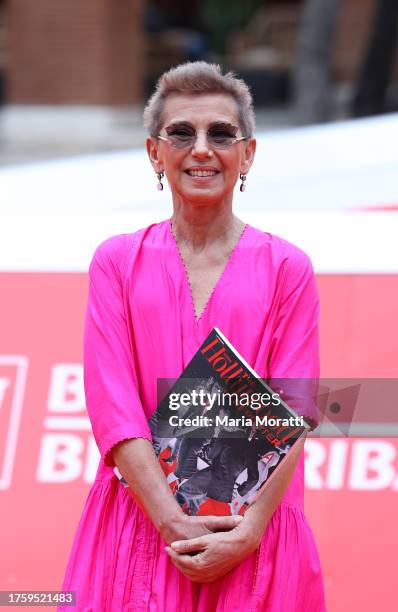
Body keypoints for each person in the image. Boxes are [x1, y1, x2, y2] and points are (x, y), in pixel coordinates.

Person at [58, 61, 326, 611]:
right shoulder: (116, 262)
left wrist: (248, 533)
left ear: (247, 154)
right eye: (182, 133)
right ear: (155, 153)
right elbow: (114, 408)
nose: (201, 149)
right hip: (139, 530)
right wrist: (173, 524)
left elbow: (296, 411)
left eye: (221, 134)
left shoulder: (287, 268)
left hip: (252, 532)